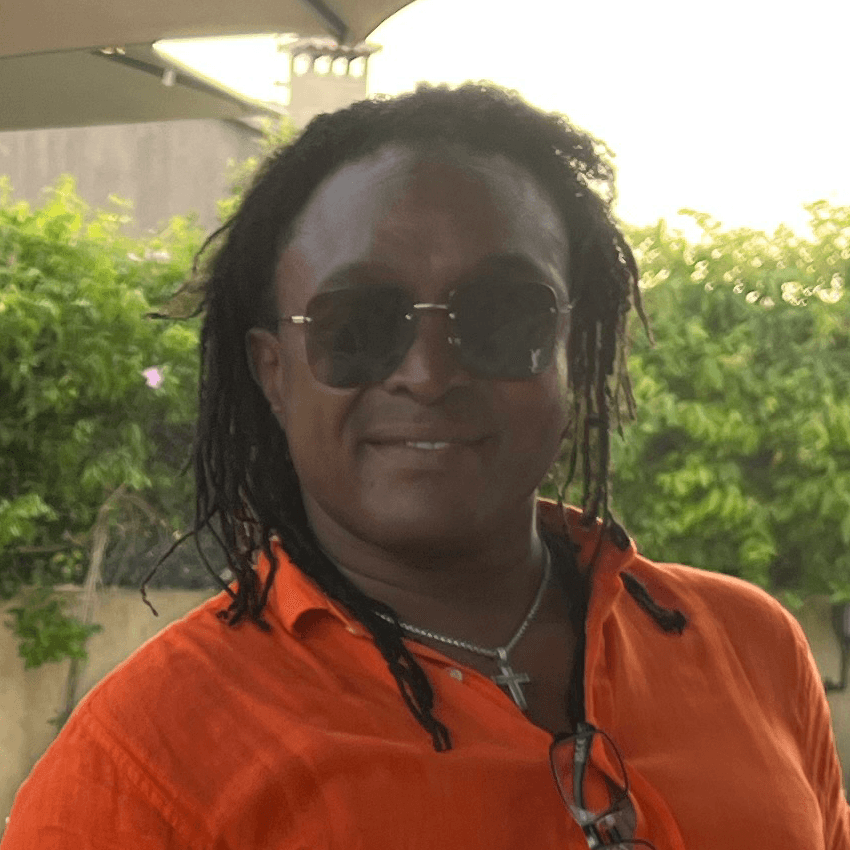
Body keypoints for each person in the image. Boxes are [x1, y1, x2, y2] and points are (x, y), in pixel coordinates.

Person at [2, 83, 848, 850]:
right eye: (358, 324)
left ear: (574, 351)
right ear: (274, 373)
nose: (431, 373)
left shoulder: (751, 648)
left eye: (503, 314)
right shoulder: (143, 765)